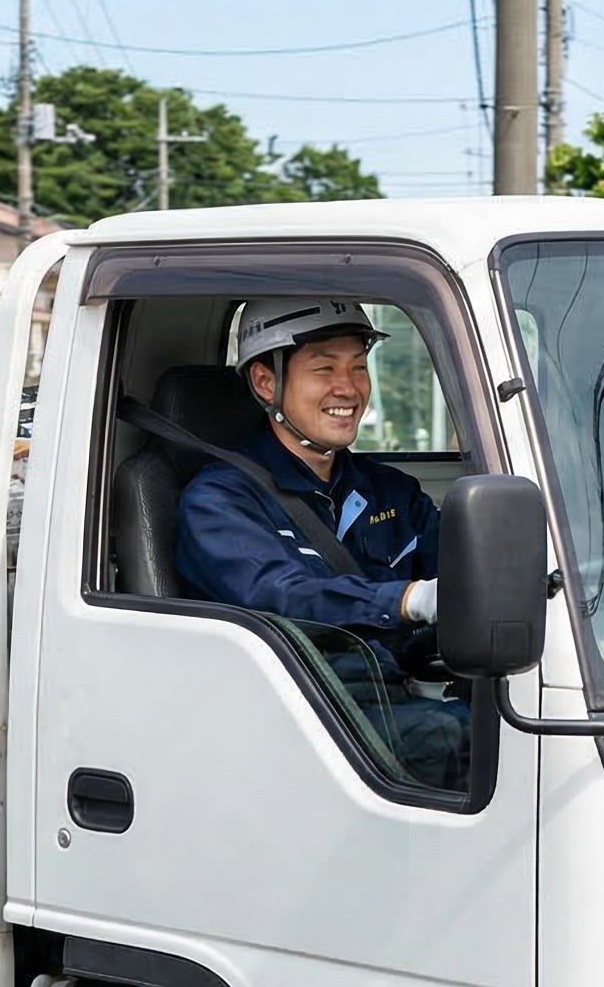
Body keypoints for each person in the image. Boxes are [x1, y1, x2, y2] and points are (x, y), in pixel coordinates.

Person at [173, 297, 469, 788]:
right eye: (324, 368)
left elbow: (461, 569)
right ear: (266, 382)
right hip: (304, 722)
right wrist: (409, 599)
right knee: (478, 743)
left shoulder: (390, 491)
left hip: (395, 700)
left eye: (358, 367)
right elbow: (280, 594)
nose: (348, 388)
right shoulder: (221, 501)